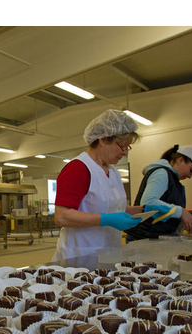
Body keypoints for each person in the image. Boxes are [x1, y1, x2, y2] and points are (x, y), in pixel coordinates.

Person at [52, 109, 172, 261]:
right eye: (122, 146)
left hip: (108, 252)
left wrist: (144, 210)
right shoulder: (78, 169)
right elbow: (62, 217)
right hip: (80, 256)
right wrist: (106, 220)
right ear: (102, 139)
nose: (125, 153)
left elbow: (110, 207)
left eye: (127, 148)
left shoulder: (112, 172)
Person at [125, 144, 192, 241]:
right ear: (180, 160)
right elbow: (148, 203)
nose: (190, 176)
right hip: (143, 238)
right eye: (191, 170)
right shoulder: (162, 173)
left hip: (153, 238)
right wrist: (181, 211)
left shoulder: (173, 181)